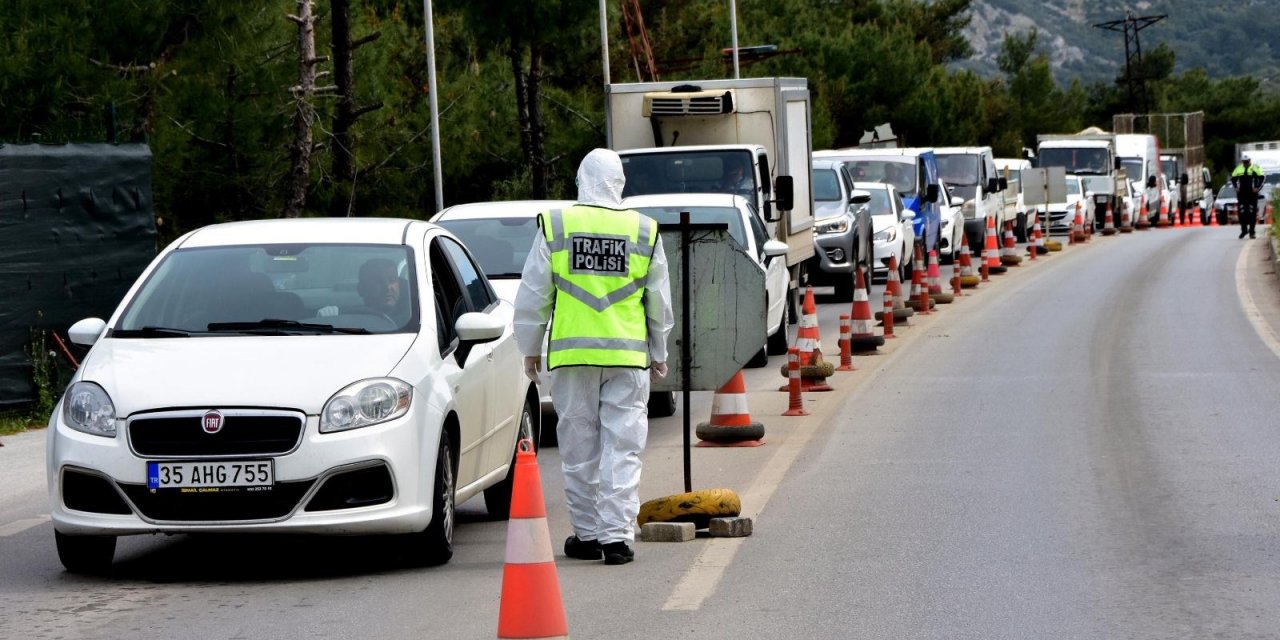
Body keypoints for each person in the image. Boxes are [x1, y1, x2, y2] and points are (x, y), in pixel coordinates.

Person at [514, 148, 674, 566]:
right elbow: (657, 300)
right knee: (623, 446)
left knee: (579, 447)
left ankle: (586, 535)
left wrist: (530, 347)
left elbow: (534, 293)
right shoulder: (643, 230)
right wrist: (659, 350)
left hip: (574, 357)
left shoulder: (558, 226)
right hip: (626, 357)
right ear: (619, 183)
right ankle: (617, 538)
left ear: (581, 181)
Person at [318, 258, 408, 322]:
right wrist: (328, 319)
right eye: (379, 282)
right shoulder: (347, 318)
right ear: (361, 289)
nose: (387, 287)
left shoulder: (414, 318)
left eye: (392, 280)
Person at [1231, 154, 1265, 239]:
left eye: (1247, 162)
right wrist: (1236, 187)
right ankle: (1244, 230)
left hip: (1252, 194)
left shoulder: (1255, 168)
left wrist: (1257, 188)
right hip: (1242, 194)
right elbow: (1233, 179)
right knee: (1242, 212)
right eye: (1244, 162)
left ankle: (1252, 232)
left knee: (1252, 212)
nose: (1246, 163)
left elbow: (1262, 178)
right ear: (1242, 162)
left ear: (1250, 161)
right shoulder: (1238, 169)